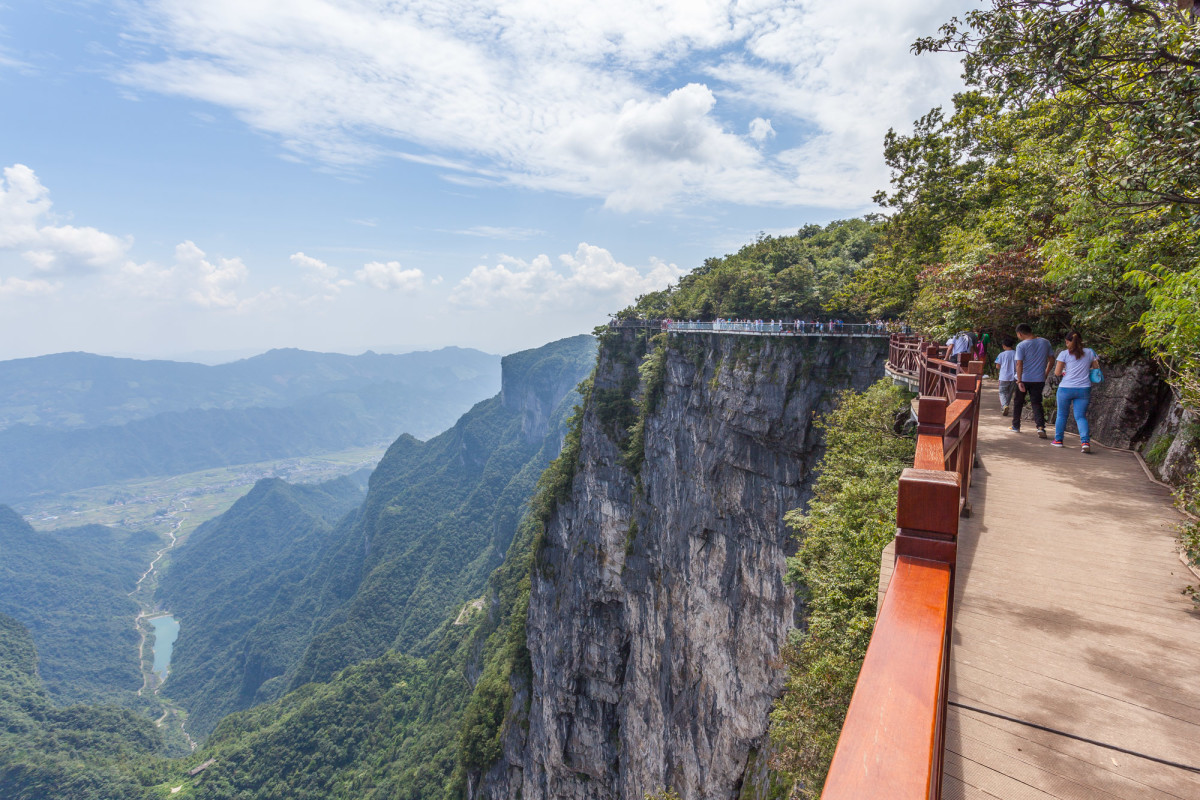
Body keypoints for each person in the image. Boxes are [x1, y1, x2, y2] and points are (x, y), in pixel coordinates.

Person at [1053, 332, 1101, 453]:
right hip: (1084, 388)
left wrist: (1066, 370)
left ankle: (1058, 440)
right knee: (1080, 417)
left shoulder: (1064, 354)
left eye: (1066, 342)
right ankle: (1085, 442)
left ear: (1069, 342)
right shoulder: (1090, 352)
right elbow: (1096, 367)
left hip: (1065, 388)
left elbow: (1057, 373)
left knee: (1062, 415)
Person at [1011, 323, 1053, 437]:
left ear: (1020, 333)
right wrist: (1045, 373)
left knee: (1018, 402)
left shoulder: (1021, 346)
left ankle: (1016, 426)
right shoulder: (1045, 342)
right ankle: (1040, 427)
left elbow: (1019, 363)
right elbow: (1051, 359)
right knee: (1036, 403)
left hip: (1024, 378)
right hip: (1039, 379)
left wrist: (1019, 381)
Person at [994, 336, 1018, 416]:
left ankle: (1004, 406)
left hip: (1004, 376)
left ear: (1004, 345)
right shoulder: (1016, 353)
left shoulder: (1001, 354)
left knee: (1002, 392)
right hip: (1014, 377)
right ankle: (1005, 406)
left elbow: (997, 366)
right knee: (1009, 393)